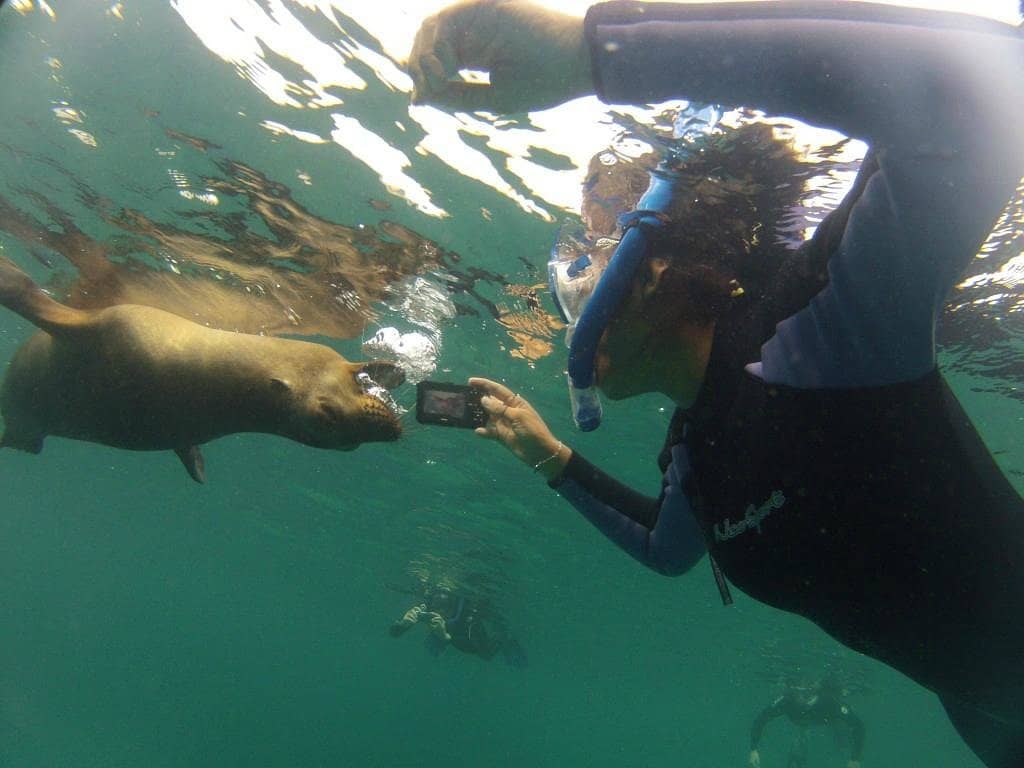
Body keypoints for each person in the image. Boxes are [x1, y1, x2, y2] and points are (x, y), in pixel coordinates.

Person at [406, 2, 1024, 766]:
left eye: (583, 261)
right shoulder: (697, 443)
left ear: (653, 270)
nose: (570, 296)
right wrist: (548, 460)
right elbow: (668, 551)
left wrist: (598, 54)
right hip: (990, 721)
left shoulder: (821, 329)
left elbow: (992, 82)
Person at [749, 678, 865, 768]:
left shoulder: (830, 702)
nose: (804, 699)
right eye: (800, 693)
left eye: (808, 694)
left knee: (841, 731)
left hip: (827, 720)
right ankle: (799, 751)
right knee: (803, 731)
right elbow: (761, 718)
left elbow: (857, 724)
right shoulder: (787, 700)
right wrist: (753, 749)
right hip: (802, 721)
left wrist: (854, 758)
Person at [389, 584, 513, 662]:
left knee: (487, 654)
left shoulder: (467, 616)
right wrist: (402, 626)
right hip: (448, 634)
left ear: (454, 603)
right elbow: (394, 634)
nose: (440, 610)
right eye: (436, 604)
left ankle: (506, 639)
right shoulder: (427, 609)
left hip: (468, 632)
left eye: (446, 604)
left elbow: (482, 652)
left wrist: (445, 637)